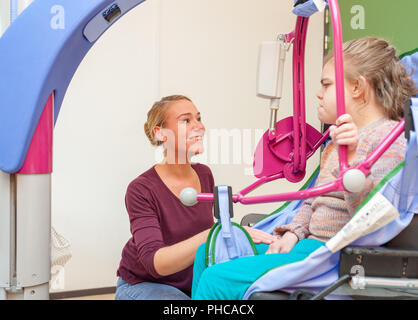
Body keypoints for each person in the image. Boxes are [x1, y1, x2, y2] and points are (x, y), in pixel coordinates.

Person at [192, 37, 418, 300]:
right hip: (305, 246)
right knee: (206, 252)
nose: (319, 93)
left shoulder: (391, 140)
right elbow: (312, 202)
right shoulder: (336, 141)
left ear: (357, 87)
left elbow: (371, 222)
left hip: (330, 259)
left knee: (216, 278)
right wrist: (292, 234)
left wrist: (353, 161)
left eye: (327, 84)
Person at [115, 95, 274, 300]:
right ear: (161, 133)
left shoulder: (204, 174)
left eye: (199, 118)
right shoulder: (141, 189)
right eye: (186, 120)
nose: (199, 126)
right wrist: (214, 234)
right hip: (145, 284)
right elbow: (156, 263)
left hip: (190, 283)